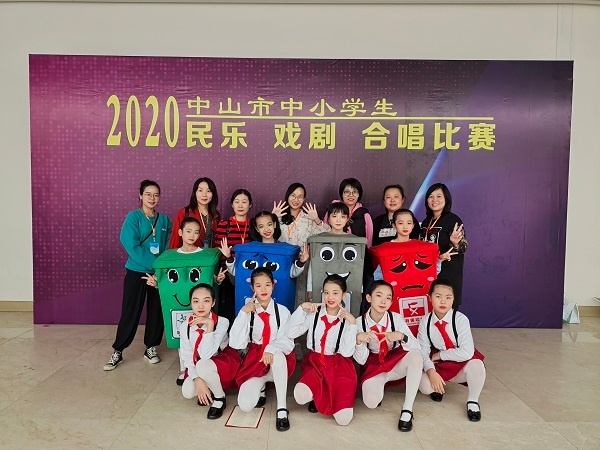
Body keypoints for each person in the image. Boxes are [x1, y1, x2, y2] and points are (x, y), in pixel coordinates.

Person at [145, 217, 226, 385]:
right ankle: (184, 369)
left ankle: (202, 365)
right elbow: (165, 282)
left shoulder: (205, 255)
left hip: (200, 304)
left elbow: (209, 280)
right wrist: (156, 283)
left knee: (200, 333)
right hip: (177, 304)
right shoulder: (170, 256)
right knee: (183, 335)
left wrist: (217, 279)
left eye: (196, 232)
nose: (192, 235)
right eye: (188, 231)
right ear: (180, 232)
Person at [104, 180, 172, 371]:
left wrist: (160, 269)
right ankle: (118, 350)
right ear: (140, 196)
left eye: (156, 195)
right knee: (130, 311)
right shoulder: (133, 217)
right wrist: (154, 265)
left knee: (156, 311)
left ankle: (151, 347)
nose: (152, 198)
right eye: (148, 194)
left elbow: (169, 244)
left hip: (158, 274)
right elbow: (130, 244)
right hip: (137, 271)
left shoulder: (164, 220)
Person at [229, 268, 296, 432]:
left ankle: (282, 408)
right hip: (255, 359)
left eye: (267, 284)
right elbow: (236, 343)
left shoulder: (282, 312)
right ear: (252, 288)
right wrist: (243, 314)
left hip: (278, 359)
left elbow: (288, 341)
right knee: (245, 405)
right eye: (258, 286)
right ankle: (262, 387)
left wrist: (270, 349)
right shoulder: (248, 312)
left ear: (273, 285)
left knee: (277, 355)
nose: (263, 289)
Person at [288, 274, 358, 426]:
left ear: (343, 295)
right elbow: (291, 333)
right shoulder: (314, 314)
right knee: (300, 396)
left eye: (335, 293)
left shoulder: (348, 320)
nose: (330, 297)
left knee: (343, 420)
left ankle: (327, 396)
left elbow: (347, 353)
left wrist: (352, 324)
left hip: (339, 367)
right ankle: (316, 395)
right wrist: (302, 308)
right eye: (326, 292)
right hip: (316, 363)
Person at [354, 280, 423, 432]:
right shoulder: (359, 323)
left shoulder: (395, 318)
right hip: (373, 364)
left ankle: (407, 409)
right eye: (379, 296)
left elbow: (416, 346)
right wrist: (359, 341)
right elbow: (361, 360)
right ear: (369, 298)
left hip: (394, 359)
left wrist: (401, 336)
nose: (383, 301)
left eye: (388, 298)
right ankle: (381, 384)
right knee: (371, 402)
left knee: (416, 357)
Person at [417, 279, 486, 422]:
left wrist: (440, 355)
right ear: (429, 297)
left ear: (453, 299)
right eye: (438, 296)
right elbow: (422, 351)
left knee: (477, 366)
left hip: (458, 358)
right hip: (439, 363)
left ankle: (473, 401)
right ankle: (439, 386)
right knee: (424, 386)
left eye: (448, 297)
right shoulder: (425, 321)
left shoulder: (460, 319)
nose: (443, 301)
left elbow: (467, 352)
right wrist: (431, 372)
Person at [179, 283, 241, 419]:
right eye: (196, 301)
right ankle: (210, 387)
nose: (201, 306)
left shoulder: (222, 322)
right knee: (187, 392)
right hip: (199, 364)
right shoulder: (185, 326)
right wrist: (197, 380)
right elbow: (187, 355)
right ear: (190, 303)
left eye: (206, 301)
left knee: (203, 364)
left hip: (222, 361)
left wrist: (210, 324)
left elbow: (206, 354)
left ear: (213, 303)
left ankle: (219, 398)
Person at [273, 183, 330, 309]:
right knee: (282, 291)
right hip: (282, 261)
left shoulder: (308, 217)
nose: (296, 199)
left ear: (304, 199)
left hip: (303, 261)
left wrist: (317, 220)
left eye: (300, 196)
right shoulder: (279, 216)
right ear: (287, 196)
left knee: (300, 294)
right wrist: (273, 217)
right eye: (293, 195)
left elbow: (328, 233)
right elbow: (267, 233)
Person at [219, 211, 309, 279]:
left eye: (269, 225)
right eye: (261, 226)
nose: (266, 229)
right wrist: (229, 257)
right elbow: (237, 271)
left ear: (274, 224)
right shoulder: (250, 249)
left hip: (277, 293)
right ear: (257, 229)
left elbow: (292, 273)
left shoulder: (283, 249)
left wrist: (301, 261)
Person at [373, 209, 457, 280]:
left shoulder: (420, 246)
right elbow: (378, 277)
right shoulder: (386, 248)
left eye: (409, 223)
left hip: (417, 291)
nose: (405, 226)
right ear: (394, 225)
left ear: (413, 225)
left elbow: (430, 272)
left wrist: (439, 259)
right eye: (401, 223)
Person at [419, 183, 466, 307]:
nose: (434, 200)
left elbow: (463, 248)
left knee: (447, 310)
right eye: (431, 196)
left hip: (448, 275)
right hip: (429, 274)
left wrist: (456, 243)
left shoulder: (453, 220)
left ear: (446, 199)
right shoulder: (426, 221)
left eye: (439, 196)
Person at [213, 189, 253, 322]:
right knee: (228, 310)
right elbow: (217, 251)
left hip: (248, 273)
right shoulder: (225, 225)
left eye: (244, 202)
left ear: (250, 205)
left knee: (247, 307)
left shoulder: (253, 225)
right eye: (237, 202)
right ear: (232, 204)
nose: (240, 205)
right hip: (227, 275)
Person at [169, 177, 220, 249]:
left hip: (210, 255)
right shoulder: (184, 213)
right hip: (189, 255)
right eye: (200, 190)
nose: (204, 195)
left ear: (213, 194)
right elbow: (175, 241)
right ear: (195, 193)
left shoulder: (216, 215)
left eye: (208, 191)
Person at [325, 178, 373, 247]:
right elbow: (325, 232)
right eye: (347, 192)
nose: (351, 195)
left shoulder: (365, 215)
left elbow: (369, 240)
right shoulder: (332, 211)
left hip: (359, 252)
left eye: (355, 192)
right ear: (342, 194)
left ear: (359, 194)